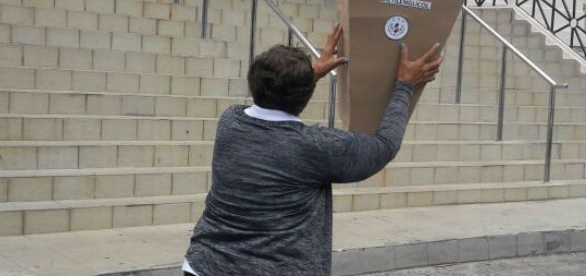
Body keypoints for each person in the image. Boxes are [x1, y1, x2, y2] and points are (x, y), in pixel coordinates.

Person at [182, 24, 443, 275]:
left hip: (204, 265)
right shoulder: (316, 147)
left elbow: (271, 100)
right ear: (304, 95)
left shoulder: (230, 122)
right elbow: (384, 146)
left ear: (253, 82)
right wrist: (405, 86)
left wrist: (309, 76)